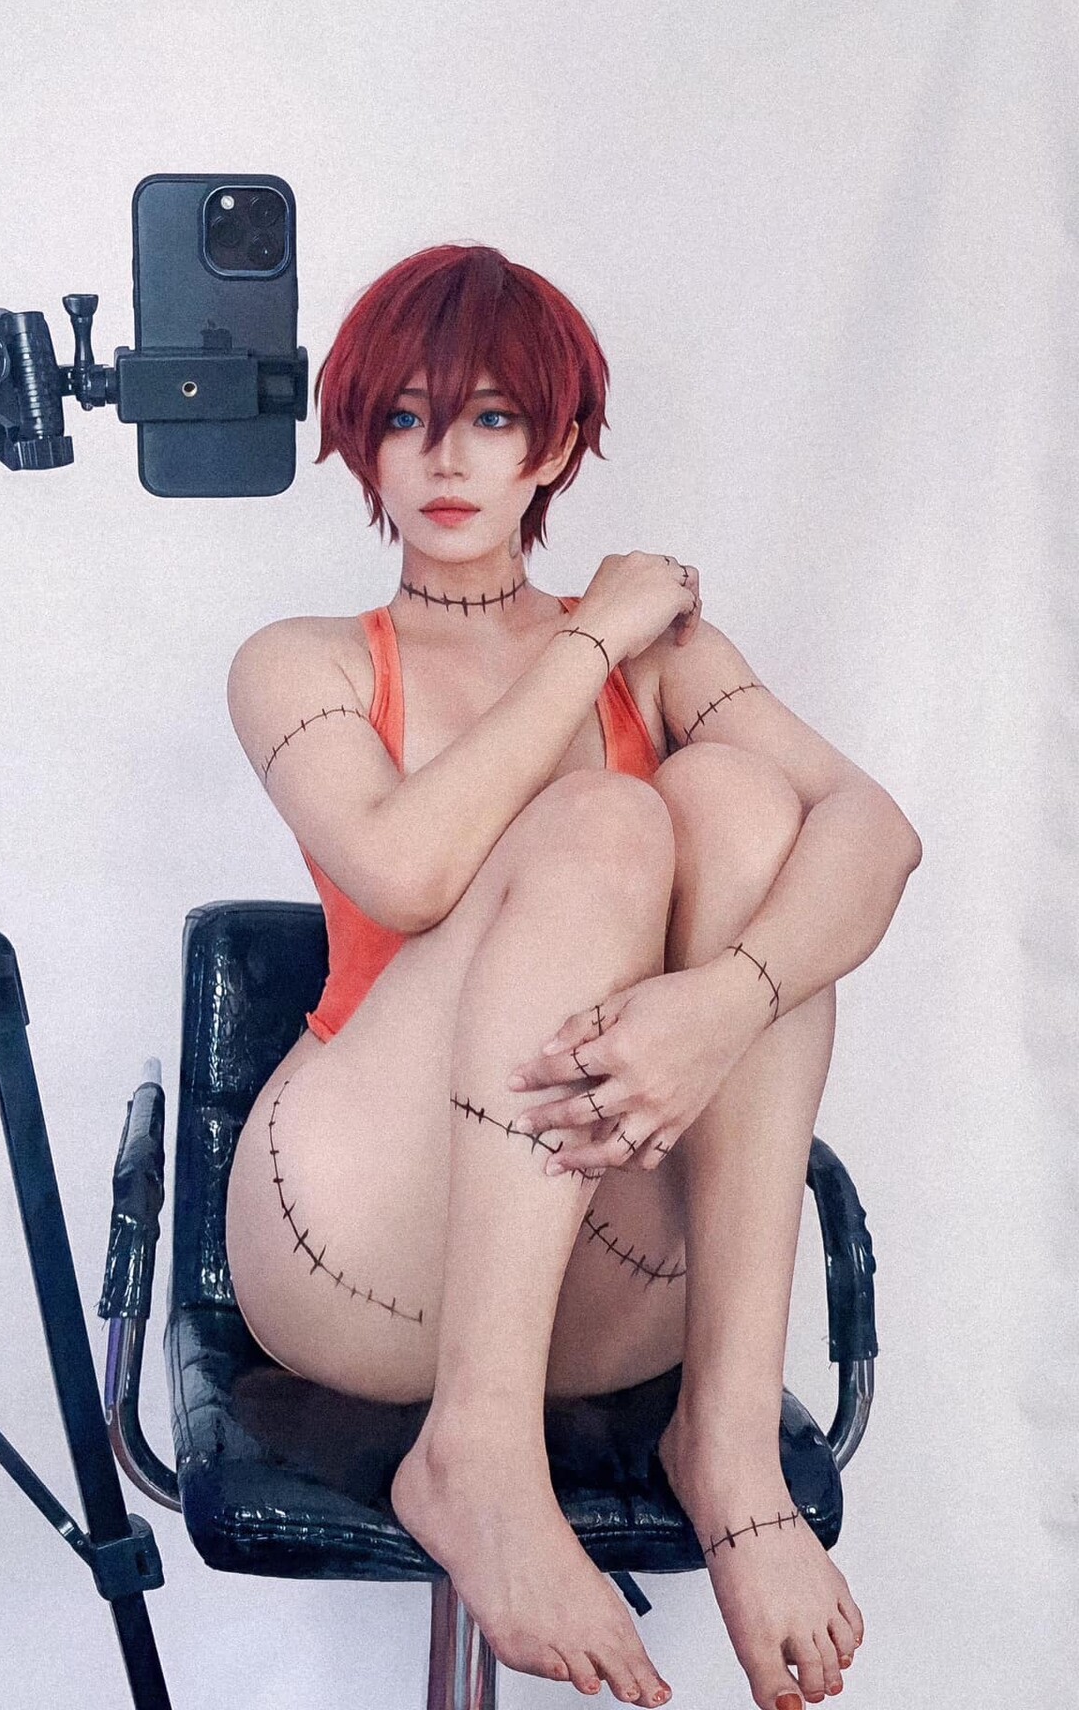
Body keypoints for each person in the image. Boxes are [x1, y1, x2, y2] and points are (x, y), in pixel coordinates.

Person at [222, 243, 921, 1710]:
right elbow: (405, 874)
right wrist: (590, 634)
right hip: (359, 1241)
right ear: (359, 439)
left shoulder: (674, 661)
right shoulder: (302, 662)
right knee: (613, 817)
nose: (445, 460)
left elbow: (876, 833)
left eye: (488, 418)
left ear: (553, 444)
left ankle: (725, 1440)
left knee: (748, 811)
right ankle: (473, 1452)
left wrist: (719, 1002)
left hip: (610, 1278)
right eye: (405, 418)